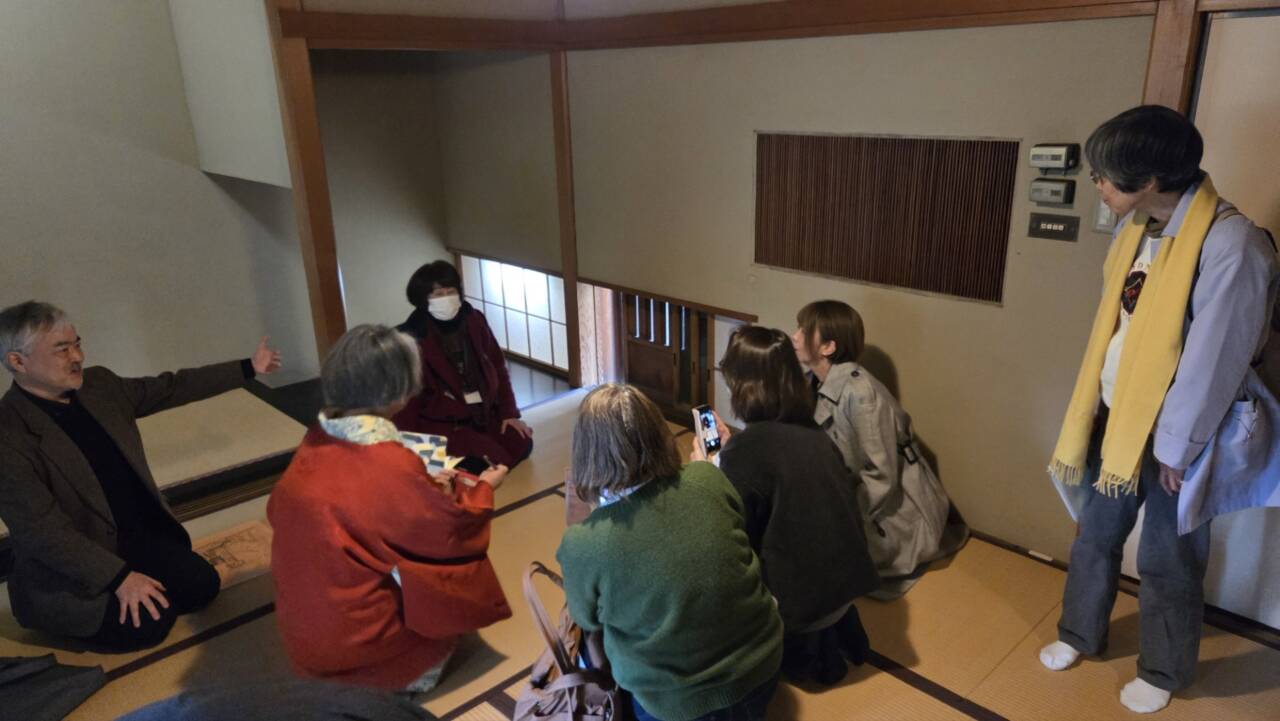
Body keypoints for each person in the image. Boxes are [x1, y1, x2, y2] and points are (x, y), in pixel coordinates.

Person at [1042, 105, 1280, 714]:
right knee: (1095, 534)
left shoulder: (1232, 243)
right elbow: (1121, 329)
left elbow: (1215, 361)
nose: (1097, 184)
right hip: (1119, 418)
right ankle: (1078, 633)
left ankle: (1164, 669)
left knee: (1168, 558)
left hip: (1183, 435)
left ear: (1148, 180)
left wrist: (1177, 449)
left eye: (1105, 175)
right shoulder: (1137, 230)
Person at [0, 300, 281, 651]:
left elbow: (171, 387)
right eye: (62, 350)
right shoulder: (9, 433)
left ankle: (145, 580)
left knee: (202, 586)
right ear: (18, 362)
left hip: (134, 539)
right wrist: (119, 579)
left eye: (77, 344)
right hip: (70, 569)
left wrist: (248, 368)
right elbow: (44, 534)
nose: (77, 357)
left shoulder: (99, 386)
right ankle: (62, 616)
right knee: (149, 625)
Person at [269, 324, 511, 692]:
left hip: (302, 637)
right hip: (361, 648)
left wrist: (424, 487)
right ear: (396, 389)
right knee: (448, 590)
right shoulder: (389, 463)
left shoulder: (315, 440)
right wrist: (482, 490)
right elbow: (447, 531)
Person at [557, 384, 783, 721]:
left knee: (592, 644)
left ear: (587, 454)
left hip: (675, 705)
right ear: (660, 433)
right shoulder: (708, 477)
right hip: (762, 666)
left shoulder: (583, 542)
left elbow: (585, 617)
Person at [692, 326, 879, 686]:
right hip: (847, 585)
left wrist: (707, 473)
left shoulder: (747, 452)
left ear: (742, 386)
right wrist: (732, 452)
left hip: (801, 608)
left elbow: (727, 536)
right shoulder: (814, 433)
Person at [791, 300, 967, 598]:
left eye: (804, 331)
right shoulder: (814, 382)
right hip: (850, 492)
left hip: (891, 510)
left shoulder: (861, 395)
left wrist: (839, 518)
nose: (794, 336)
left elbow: (882, 476)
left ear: (828, 347)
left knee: (816, 568)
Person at [392, 261, 532, 468]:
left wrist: (509, 414)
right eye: (438, 294)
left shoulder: (474, 320)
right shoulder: (409, 339)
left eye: (451, 292)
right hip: (444, 425)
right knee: (489, 460)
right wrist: (411, 447)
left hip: (483, 414)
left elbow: (498, 367)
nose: (446, 298)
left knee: (521, 442)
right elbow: (405, 401)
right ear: (423, 299)